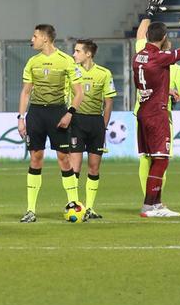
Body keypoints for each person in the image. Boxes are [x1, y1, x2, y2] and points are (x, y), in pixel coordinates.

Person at [133, 13, 180, 217]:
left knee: (155, 159)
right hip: (157, 113)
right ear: (163, 38)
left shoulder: (138, 56)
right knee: (161, 159)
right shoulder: (160, 56)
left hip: (144, 110)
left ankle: (157, 204)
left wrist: (166, 90)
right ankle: (149, 205)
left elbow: (149, 80)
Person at [17, 23, 84, 223]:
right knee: (35, 158)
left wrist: (69, 113)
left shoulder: (65, 61)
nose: (32, 39)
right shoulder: (32, 62)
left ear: (45, 38)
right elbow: (26, 92)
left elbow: (79, 92)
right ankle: (30, 210)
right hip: (36, 113)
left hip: (58, 112)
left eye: (35, 36)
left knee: (64, 158)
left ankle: (75, 203)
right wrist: (21, 118)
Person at [70, 38, 117, 220]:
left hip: (96, 123)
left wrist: (103, 126)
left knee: (94, 167)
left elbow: (108, 101)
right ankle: (74, 205)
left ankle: (89, 208)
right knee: (75, 167)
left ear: (88, 54)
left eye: (77, 51)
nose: (74, 54)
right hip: (76, 121)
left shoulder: (104, 73)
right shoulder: (72, 72)